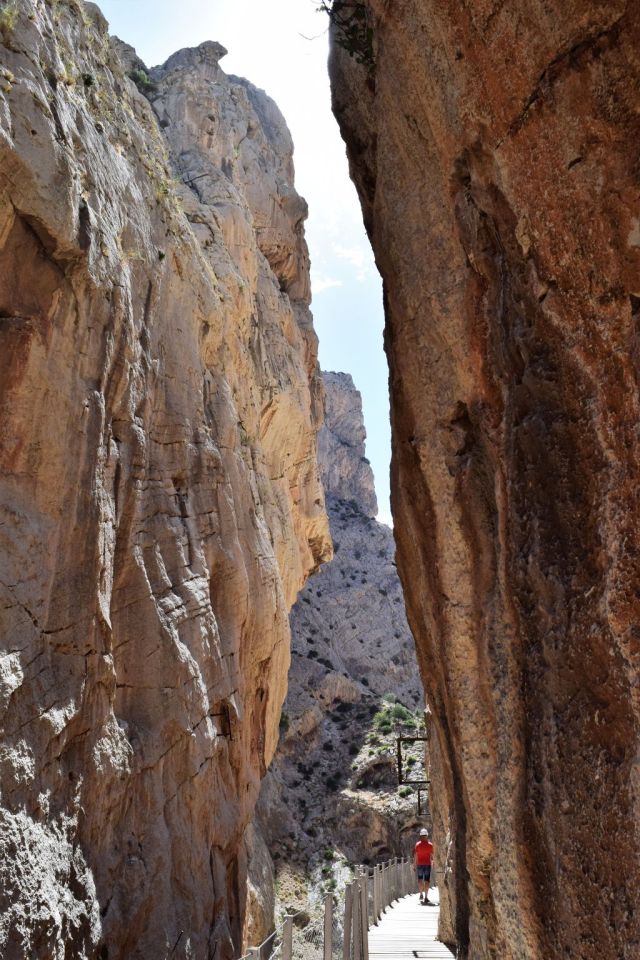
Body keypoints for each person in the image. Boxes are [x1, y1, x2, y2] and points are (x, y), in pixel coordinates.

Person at [414, 828, 434, 904]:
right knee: (427, 880)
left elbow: (415, 855)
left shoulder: (417, 844)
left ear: (420, 836)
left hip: (419, 864)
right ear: (427, 836)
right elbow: (432, 855)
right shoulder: (430, 845)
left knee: (420, 880)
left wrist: (414, 865)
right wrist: (433, 862)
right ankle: (426, 896)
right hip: (427, 865)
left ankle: (421, 894)